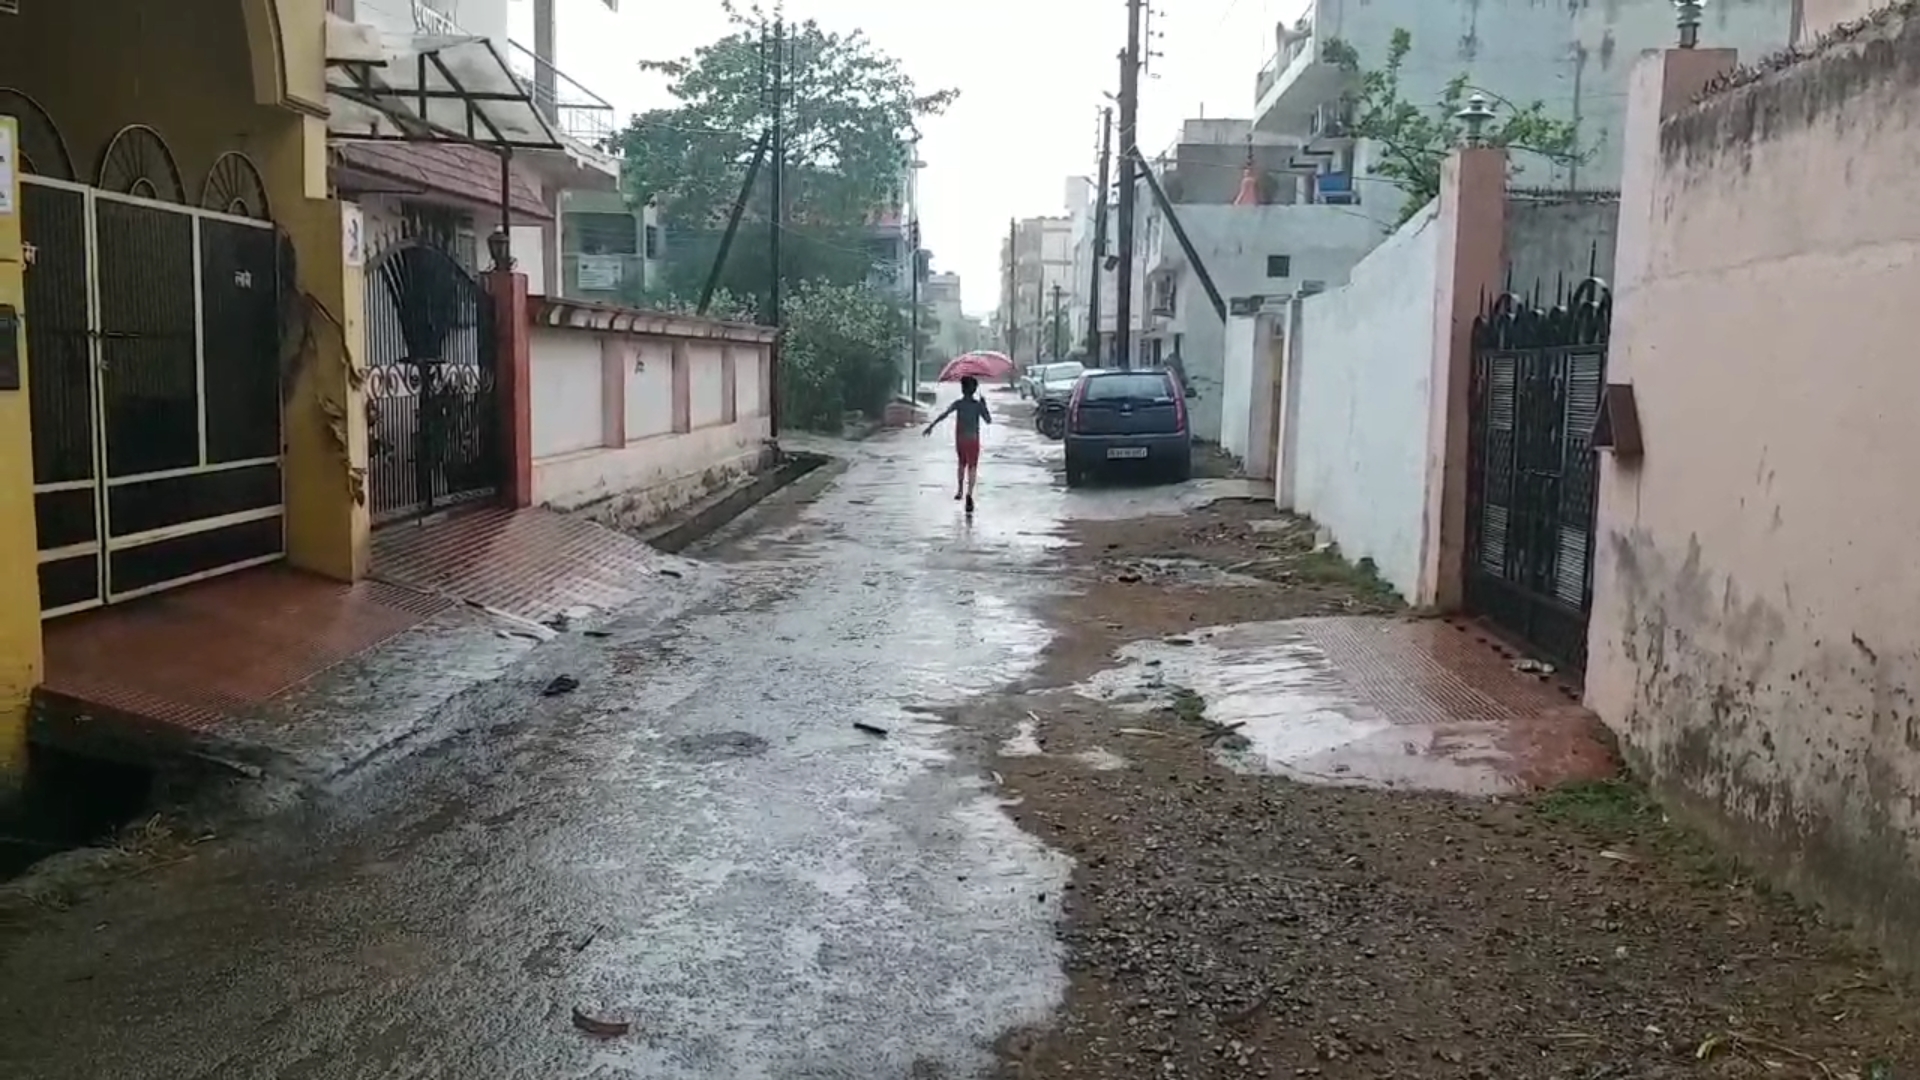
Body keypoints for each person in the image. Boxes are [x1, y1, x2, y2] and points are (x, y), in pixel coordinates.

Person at [924, 374, 992, 513]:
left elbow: (944, 414)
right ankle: (969, 494)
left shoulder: (958, 404)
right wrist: (984, 406)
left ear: (963, 389)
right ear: (974, 390)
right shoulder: (978, 405)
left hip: (960, 438)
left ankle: (960, 490)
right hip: (973, 439)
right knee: (972, 467)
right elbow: (988, 420)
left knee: (962, 464)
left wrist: (931, 426)